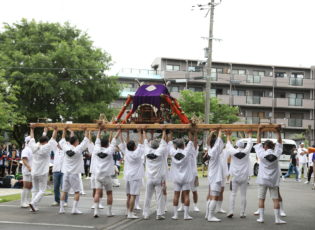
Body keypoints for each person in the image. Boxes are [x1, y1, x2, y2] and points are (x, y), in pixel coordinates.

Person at [254, 127, 286, 224]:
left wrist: (259, 131)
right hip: (273, 180)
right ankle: (277, 219)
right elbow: (280, 143)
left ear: (265, 147)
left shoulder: (261, 153)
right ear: (272, 146)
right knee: (275, 199)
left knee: (261, 199)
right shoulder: (277, 153)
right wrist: (278, 133)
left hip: (262, 180)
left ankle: (261, 218)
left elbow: (258, 143)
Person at [58, 128, 90, 214]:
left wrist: (64, 130)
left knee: (64, 191)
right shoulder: (78, 148)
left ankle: (61, 209)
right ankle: (74, 209)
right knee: (77, 191)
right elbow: (86, 140)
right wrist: (87, 130)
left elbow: (62, 140)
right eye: (78, 141)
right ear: (75, 142)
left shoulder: (66, 147)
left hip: (66, 173)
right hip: (74, 173)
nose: (79, 142)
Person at [28, 127, 58, 212]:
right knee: (42, 190)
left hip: (34, 171)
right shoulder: (47, 147)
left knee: (35, 189)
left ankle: (33, 206)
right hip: (42, 172)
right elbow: (53, 139)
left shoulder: (34, 146)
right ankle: (33, 203)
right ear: (46, 142)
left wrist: (32, 129)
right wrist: (55, 130)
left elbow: (32, 138)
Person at [92, 129, 120, 218]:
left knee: (97, 192)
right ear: (107, 144)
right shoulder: (110, 150)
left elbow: (97, 138)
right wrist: (119, 130)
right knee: (109, 193)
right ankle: (109, 212)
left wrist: (100, 130)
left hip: (98, 174)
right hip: (107, 175)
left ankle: (96, 211)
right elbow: (114, 139)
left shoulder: (96, 149)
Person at [226, 131, 253, 218]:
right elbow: (250, 144)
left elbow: (228, 145)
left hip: (234, 176)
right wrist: (249, 134)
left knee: (233, 194)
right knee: (243, 195)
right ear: (243, 146)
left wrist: (228, 136)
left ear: (237, 145)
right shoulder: (246, 151)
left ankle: (231, 211)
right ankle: (242, 213)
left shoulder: (233, 151)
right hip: (244, 176)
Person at [169, 131, 195, 220]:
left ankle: (175, 215)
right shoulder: (186, 152)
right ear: (183, 145)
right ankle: (186, 215)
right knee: (186, 195)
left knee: (176, 195)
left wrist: (171, 132)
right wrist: (190, 131)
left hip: (176, 178)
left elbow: (169, 142)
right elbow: (191, 141)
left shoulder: (172, 152)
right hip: (186, 178)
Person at [119, 130, 145, 219]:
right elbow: (141, 143)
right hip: (135, 177)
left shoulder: (126, 152)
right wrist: (141, 132)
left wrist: (121, 132)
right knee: (133, 196)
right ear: (134, 146)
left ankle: (128, 211)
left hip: (128, 176)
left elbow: (122, 142)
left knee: (129, 196)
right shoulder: (136, 153)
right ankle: (130, 213)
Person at [142, 129, 168, 220]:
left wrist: (144, 131)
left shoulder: (147, 150)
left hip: (149, 178)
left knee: (147, 196)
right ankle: (159, 214)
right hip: (158, 178)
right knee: (159, 196)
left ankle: (145, 214)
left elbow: (145, 141)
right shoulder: (160, 151)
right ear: (158, 146)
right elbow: (163, 142)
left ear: (150, 146)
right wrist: (164, 131)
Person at [205, 129, 225, 222]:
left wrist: (212, 132)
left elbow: (208, 142)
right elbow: (218, 142)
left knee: (211, 195)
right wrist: (219, 131)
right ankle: (210, 216)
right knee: (214, 196)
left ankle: (207, 214)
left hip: (212, 175)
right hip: (215, 177)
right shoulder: (214, 151)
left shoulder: (210, 149)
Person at [51, 141, 68, 207]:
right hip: (56, 170)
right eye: (58, 144)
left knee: (64, 187)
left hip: (64, 170)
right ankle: (56, 200)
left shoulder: (65, 150)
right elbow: (52, 140)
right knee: (55, 187)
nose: (58, 145)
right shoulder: (55, 150)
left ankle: (65, 201)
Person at [20, 136, 33, 208]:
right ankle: (22, 202)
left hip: (31, 171)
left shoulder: (31, 149)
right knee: (26, 186)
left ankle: (27, 201)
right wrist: (29, 168)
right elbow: (24, 160)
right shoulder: (26, 150)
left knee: (30, 186)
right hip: (27, 171)